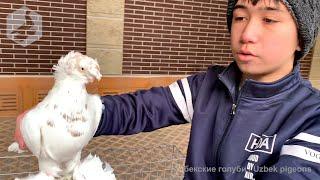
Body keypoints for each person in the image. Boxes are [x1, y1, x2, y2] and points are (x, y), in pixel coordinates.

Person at [14, 0, 320, 179]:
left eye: (269, 19)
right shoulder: (208, 86)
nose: (247, 34)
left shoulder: (310, 117)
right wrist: (70, 115)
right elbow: (141, 109)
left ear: (300, 39)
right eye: (240, 17)